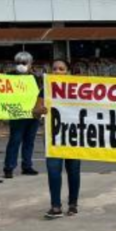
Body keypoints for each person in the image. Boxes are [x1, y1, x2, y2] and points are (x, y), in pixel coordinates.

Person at [37, 60, 82, 219]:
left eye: (61, 69)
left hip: (73, 136)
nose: (57, 71)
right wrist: (39, 110)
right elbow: (34, 111)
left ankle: (73, 204)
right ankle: (55, 206)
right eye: (54, 68)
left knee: (74, 171)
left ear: (68, 72)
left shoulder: (78, 88)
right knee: (53, 171)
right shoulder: (46, 89)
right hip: (53, 138)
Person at [3, 51, 41, 178]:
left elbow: (39, 95)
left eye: (24, 63)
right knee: (15, 140)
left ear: (30, 64)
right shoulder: (9, 77)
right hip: (17, 114)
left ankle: (27, 166)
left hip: (32, 114)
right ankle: (9, 167)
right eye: (18, 63)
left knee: (29, 141)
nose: (21, 65)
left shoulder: (34, 78)